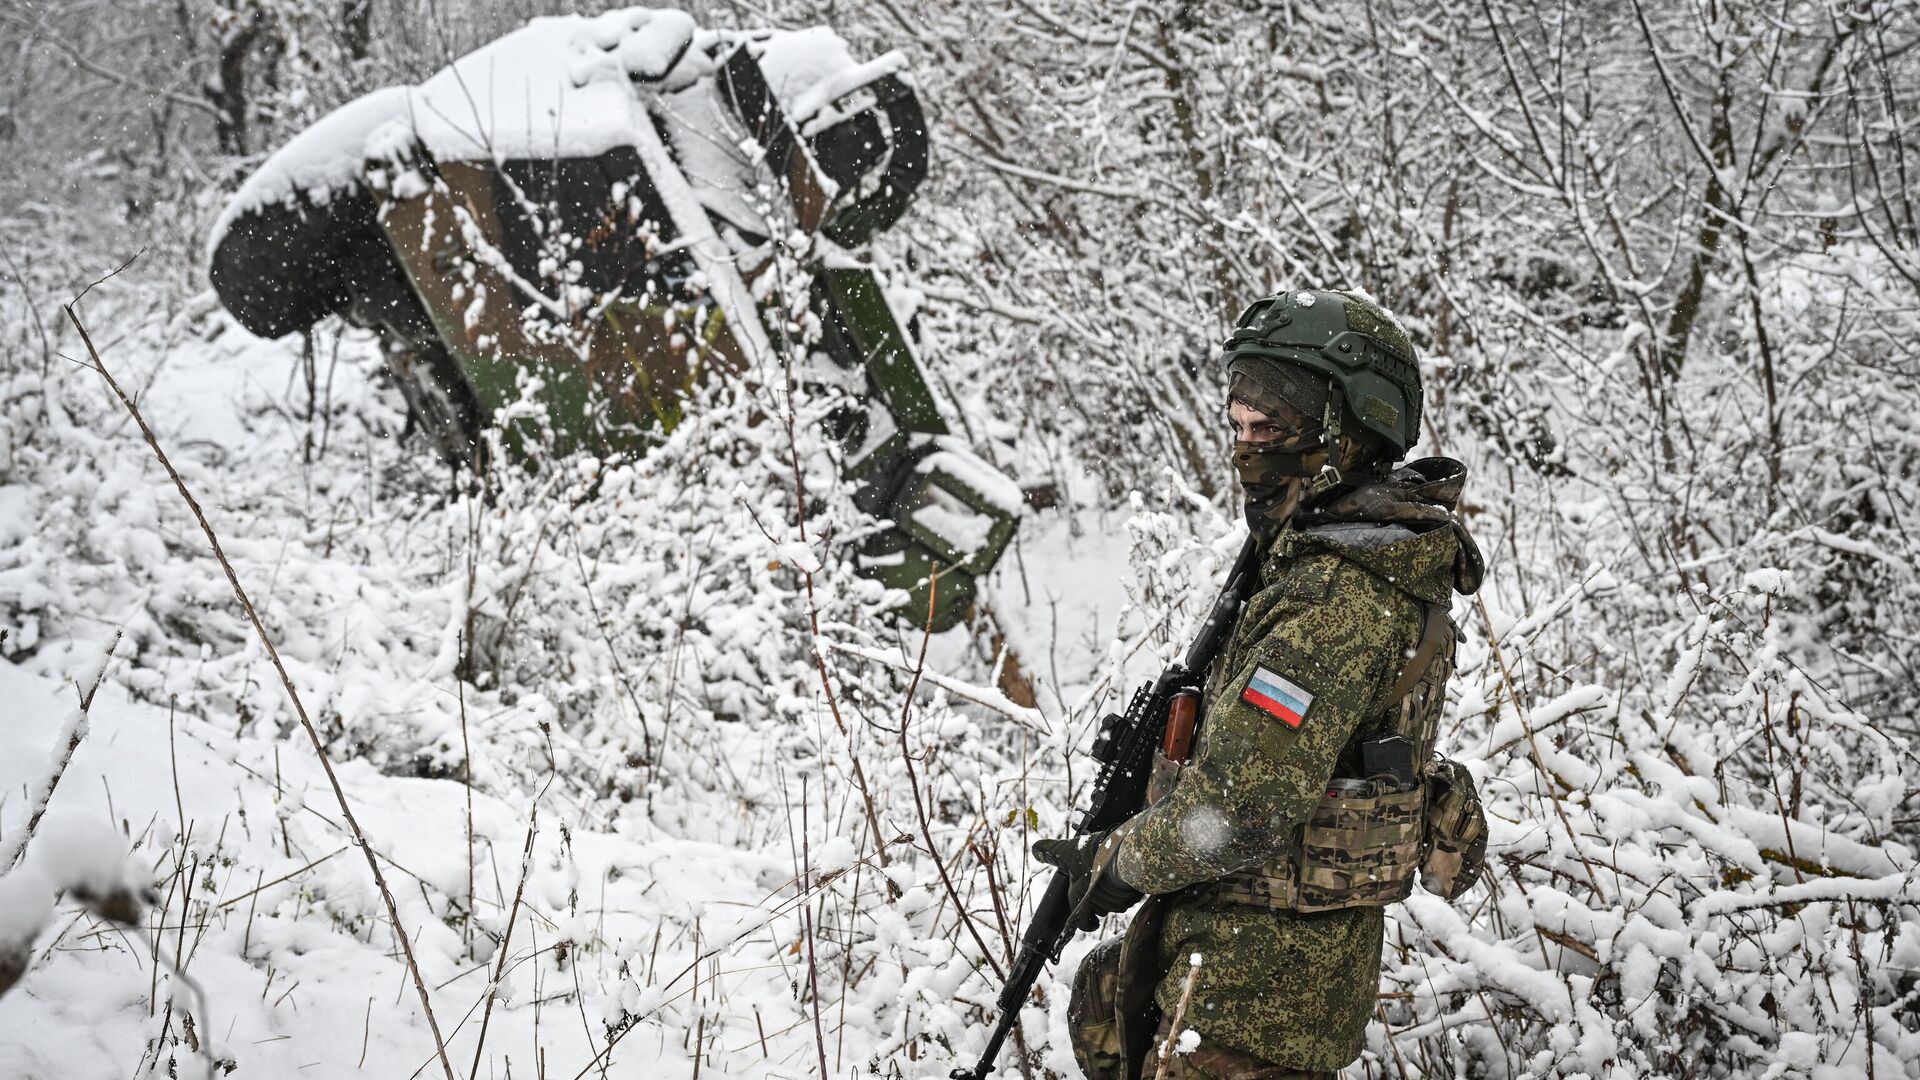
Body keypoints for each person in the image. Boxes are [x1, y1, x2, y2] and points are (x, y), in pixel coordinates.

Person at [1035, 289, 1490, 1079]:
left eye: (1272, 427)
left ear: (1350, 429)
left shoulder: (1333, 598)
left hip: (1253, 1002)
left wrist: (1115, 862)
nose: (1249, 449)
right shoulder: (1334, 556)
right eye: (1240, 425)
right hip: (1253, 982)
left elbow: (1238, 812)